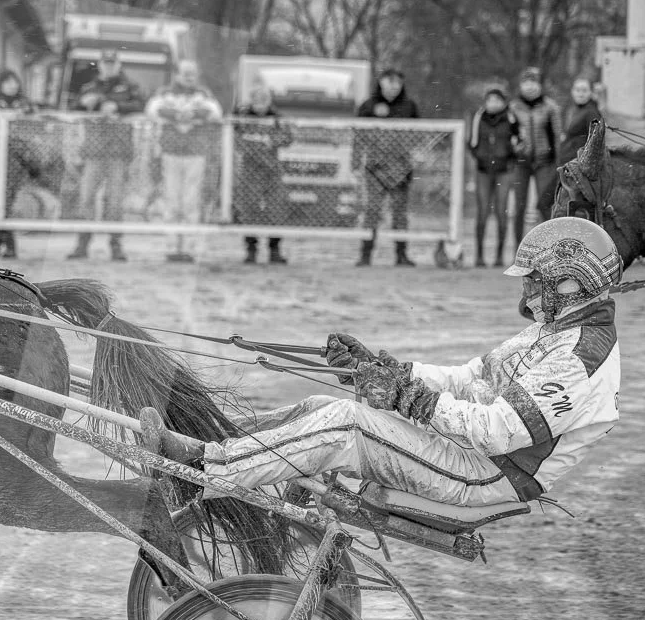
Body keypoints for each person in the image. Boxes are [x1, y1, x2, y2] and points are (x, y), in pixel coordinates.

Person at [143, 216, 620, 508]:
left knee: (346, 423)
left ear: (569, 283)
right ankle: (207, 445)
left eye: (534, 278)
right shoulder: (554, 330)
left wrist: (408, 399)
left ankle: (202, 474)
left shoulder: (577, 358)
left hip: (488, 475)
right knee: (318, 408)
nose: (526, 288)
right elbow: (469, 379)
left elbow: (497, 431)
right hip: (470, 455)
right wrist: (387, 371)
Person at [68, 50, 145, 261]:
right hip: (93, 152)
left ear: (118, 65)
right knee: (86, 198)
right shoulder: (88, 88)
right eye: (106, 63)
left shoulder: (130, 87)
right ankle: (82, 244)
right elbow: (73, 108)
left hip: (118, 152)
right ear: (100, 65)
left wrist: (117, 106)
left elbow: (142, 105)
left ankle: (116, 245)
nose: (109, 67)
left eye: (113, 63)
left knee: (115, 201)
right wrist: (84, 103)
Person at [146, 59, 224, 258]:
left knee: (191, 201)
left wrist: (194, 113)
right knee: (172, 200)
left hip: (195, 153)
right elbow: (152, 110)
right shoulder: (165, 92)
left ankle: (189, 247)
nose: (189, 77)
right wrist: (175, 115)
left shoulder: (203, 94)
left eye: (193, 73)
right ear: (177, 74)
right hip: (170, 152)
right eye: (185, 73)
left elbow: (216, 112)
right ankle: (172, 246)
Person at [354, 68, 420, 267]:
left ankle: (401, 254)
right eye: (389, 81)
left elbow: (418, 134)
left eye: (397, 82)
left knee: (400, 213)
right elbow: (358, 135)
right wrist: (355, 162)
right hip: (375, 168)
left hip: (401, 169)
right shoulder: (368, 106)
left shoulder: (409, 106)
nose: (393, 86)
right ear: (381, 82)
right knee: (372, 211)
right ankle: (366, 254)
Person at [232, 82, 294, 265]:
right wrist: (256, 146)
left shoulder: (276, 118)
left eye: (264, 100)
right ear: (251, 101)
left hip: (272, 171)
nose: (260, 104)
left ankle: (274, 250)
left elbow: (288, 137)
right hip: (250, 171)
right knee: (249, 210)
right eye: (257, 100)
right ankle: (251, 250)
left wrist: (272, 141)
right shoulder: (243, 117)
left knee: (276, 210)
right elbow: (236, 138)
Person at [0, 70, 37, 259]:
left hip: (15, 158)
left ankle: (9, 246)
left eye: (14, 82)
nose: (12, 86)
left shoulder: (24, 103)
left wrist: (23, 113)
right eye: (8, 82)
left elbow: (33, 113)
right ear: (1, 84)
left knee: (6, 201)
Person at [509, 67, 565, 250]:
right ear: (521, 85)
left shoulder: (550, 107)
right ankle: (518, 248)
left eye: (533, 82)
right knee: (519, 206)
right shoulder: (513, 107)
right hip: (521, 162)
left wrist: (559, 163)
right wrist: (515, 149)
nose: (530, 86)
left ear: (539, 85)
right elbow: (510, 134)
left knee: (545, 204)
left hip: (544, 162)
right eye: (526, 82)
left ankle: (547, 247)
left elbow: (557, 136)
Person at [467, 87, 523, 268]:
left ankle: (499, 256)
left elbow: (519, 141)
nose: (493, 104)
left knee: (501, 212)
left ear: (504, 102)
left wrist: (510, 155)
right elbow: (472, 143)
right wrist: (481, 157)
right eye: (490, 100)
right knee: (482, 212)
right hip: (483, 170)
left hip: (504, 171)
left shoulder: (511, 118)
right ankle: (479, 255)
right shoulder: (478, 117)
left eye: (497, 100)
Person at [558, 76, 603, 169]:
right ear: (572, 91)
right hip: (568, 160)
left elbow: (596, 142)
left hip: (578, 165)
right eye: (577, 90)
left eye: (584, 91)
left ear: (590, 92)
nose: (580, 94)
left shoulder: (591, 112)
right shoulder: (573, 109)